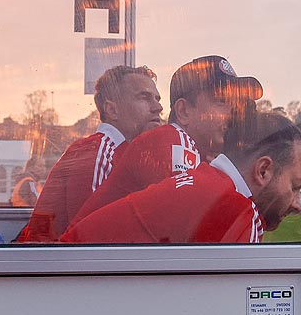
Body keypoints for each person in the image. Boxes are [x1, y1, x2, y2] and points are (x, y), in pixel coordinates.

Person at [60, 112, 301, 245]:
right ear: (262, 171)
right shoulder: (234, 208)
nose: (297, 204)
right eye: (295, 187)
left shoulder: (209, 183)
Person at [71, 55, 260, 224]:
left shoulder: (192, 152)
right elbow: (194, 235)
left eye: (237, 104)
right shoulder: (172, 142)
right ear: (184, 111)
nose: (235, 113)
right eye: (222, 102)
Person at [16, 64, 163, 242]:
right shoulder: (97, 152)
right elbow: (90, 242)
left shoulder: (124, 154)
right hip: (50, 266)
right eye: (145, 97)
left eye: (157, 98)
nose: (158, 107)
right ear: (112, 110)